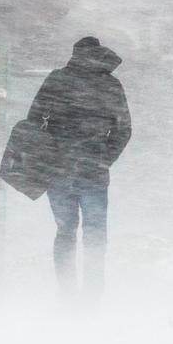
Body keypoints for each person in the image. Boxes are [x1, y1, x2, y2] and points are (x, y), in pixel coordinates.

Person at [26, 36, 132, 302]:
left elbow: (33, 121)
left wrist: (49, 152)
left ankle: (67, 292)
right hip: (93, 172)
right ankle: (93, 293)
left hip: (59, 170)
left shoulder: (57, 79)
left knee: (65, 231)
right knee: (95, 234)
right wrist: (104, 156)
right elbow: (123, 129)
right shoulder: (109, 84)